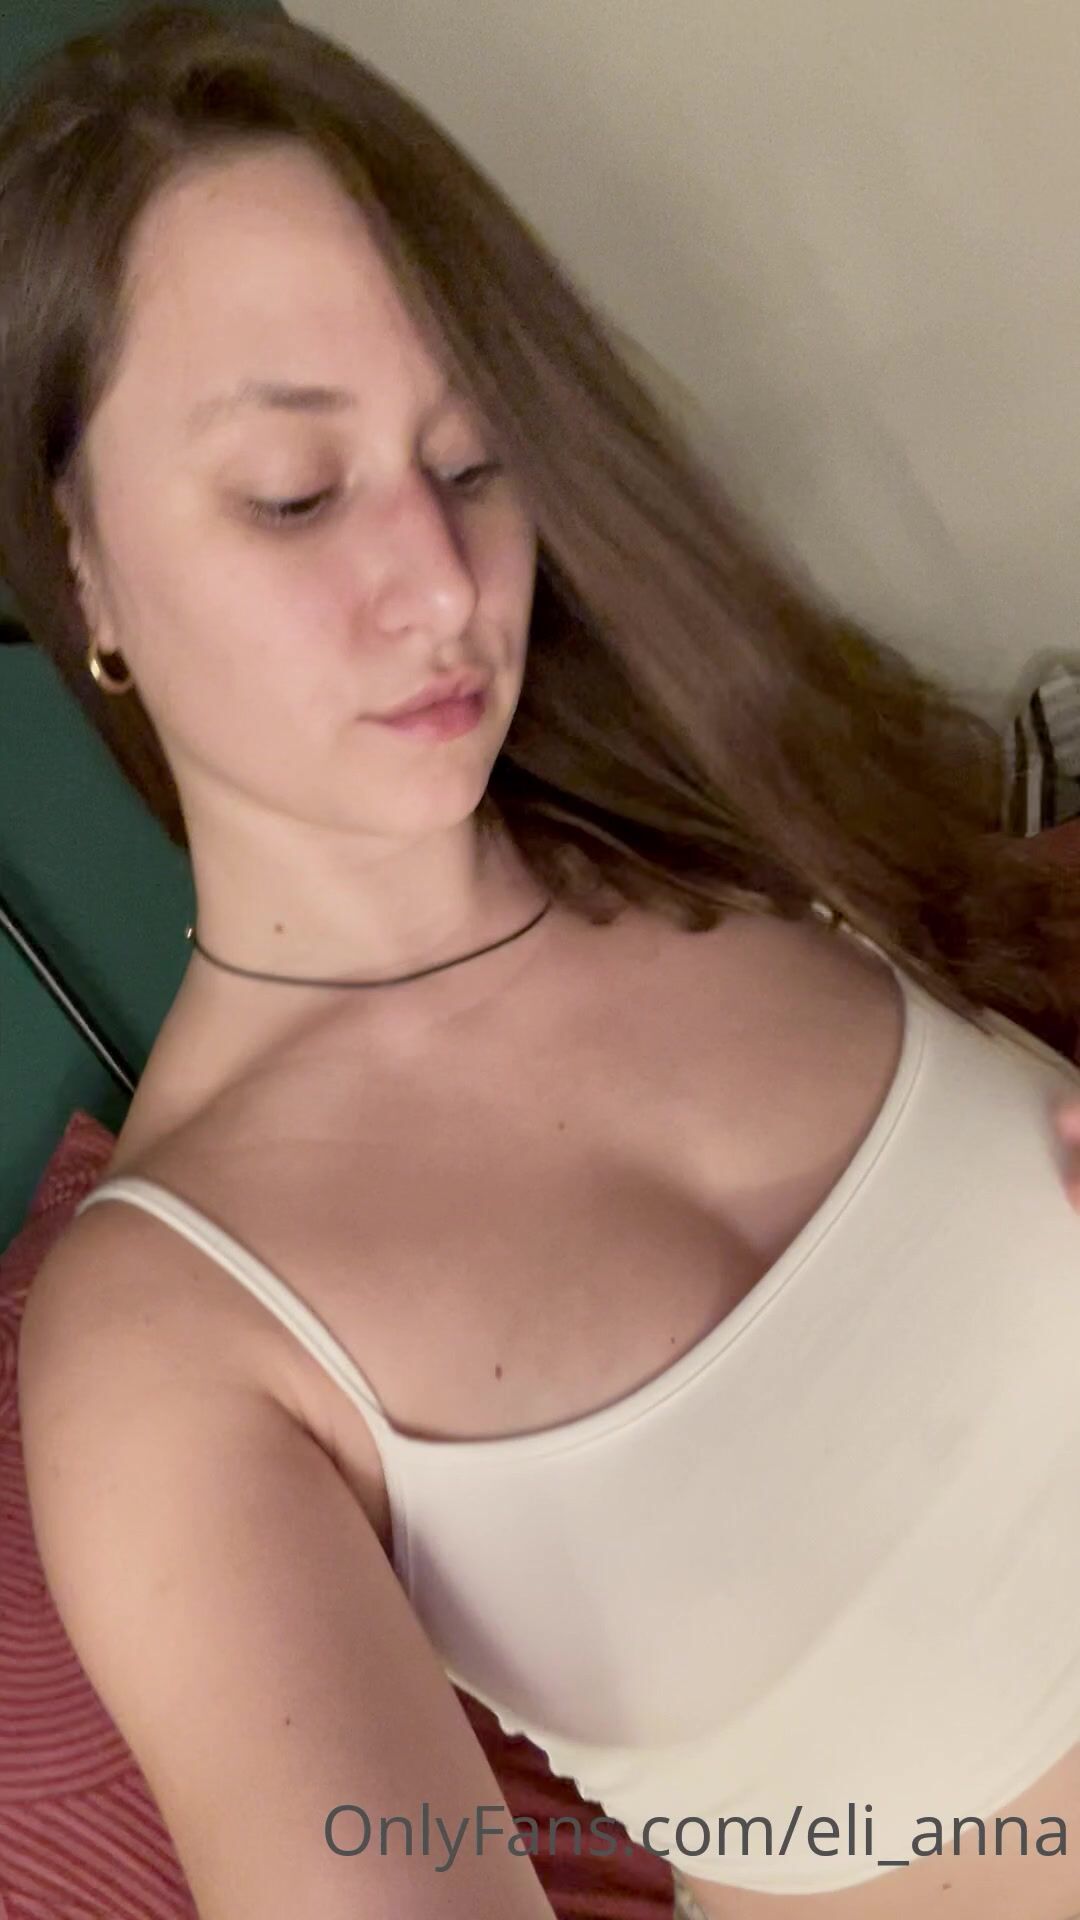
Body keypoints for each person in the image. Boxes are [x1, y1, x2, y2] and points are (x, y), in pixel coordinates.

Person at [4, 8, 1080, 1919]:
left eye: (476, 459)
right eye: (295, 490)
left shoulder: (741, 817)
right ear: (80, 562)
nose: (441, 584)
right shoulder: (172, 1335)